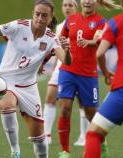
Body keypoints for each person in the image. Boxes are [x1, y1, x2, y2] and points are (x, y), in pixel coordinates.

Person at [0, 0, 71, 157]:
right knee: (7, 105)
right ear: (33, 14)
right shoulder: (19, 26)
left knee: (39, 140)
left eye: (44, 15)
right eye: (37, 14)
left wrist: (67, 51)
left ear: (51, 18)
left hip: (29, 88)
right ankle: (15, 151)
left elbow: (66, 61)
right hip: (5, 81)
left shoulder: (52, 38)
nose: (39, 18)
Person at [84, 0, 123, 157]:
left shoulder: (117, 21)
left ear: (122, 3)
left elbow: (99, 53)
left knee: (94, 134)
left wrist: (106, 73)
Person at [57, 0, 119, 157]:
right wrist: (62, 43)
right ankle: (65, 150)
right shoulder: (71, 20)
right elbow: (60, 39)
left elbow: (100, 45)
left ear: (96, 3)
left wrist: (105, 72)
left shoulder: (100, 22)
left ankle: (102, 142)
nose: (87, 1)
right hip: (67, 71)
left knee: (92, 114)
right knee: (64, 109)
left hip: (88, 75)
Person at [43, 0, 90, 146]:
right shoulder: (58, 27)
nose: (67, 8)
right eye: (65, 5)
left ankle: (83, 137)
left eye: (70, 5)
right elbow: (57, 49)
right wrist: (52, 68)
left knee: (82, 103)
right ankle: (47, 134)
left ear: (77, 7)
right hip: (62, 66)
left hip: (81, 67)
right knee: (50, 97)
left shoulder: (84, 23)